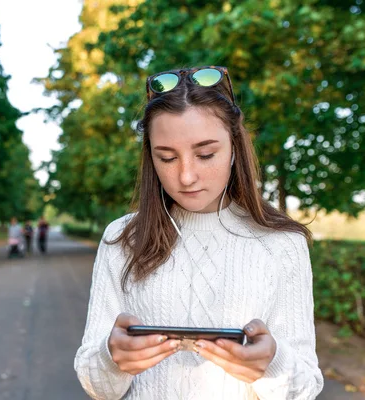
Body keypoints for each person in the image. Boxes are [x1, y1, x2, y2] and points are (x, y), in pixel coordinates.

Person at [74, 66, 324, 399]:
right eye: (166, 157)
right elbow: (98, 386)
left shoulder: (282, 244)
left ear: (234, 148)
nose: (186, 176)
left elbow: (306, 387)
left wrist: (271, 366)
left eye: (205, 154)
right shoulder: (122, 238)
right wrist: (111, 359)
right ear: (151, 157)